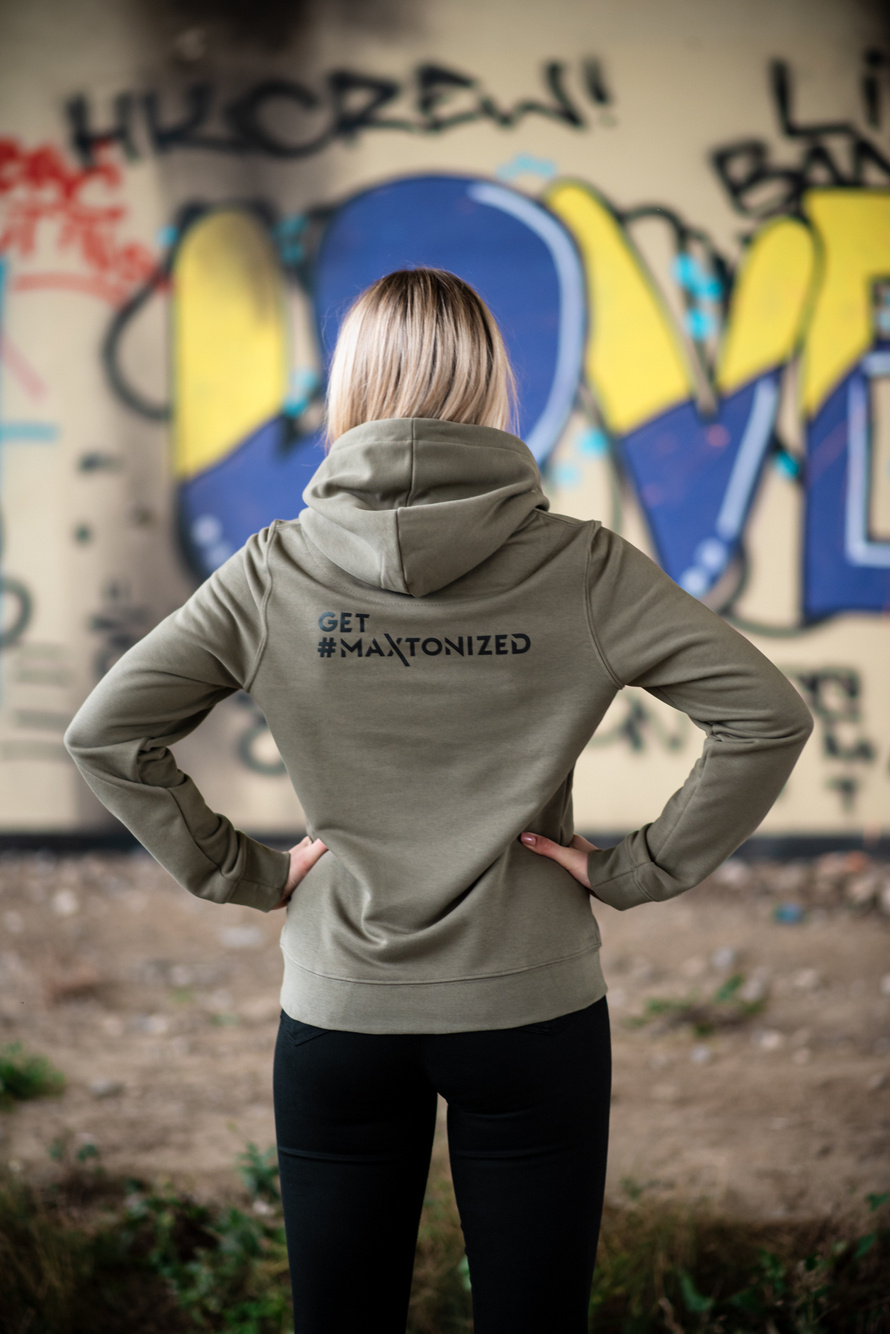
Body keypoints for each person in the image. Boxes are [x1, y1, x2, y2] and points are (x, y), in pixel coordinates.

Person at [65, 267, 814, 1333]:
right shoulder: (584, 567)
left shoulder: (272, 573)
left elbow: (105, 732)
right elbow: (765, 716)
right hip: (532, 1010)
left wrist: (245, 871)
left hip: (340, 1013)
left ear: (349, 387)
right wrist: (633, 869)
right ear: (493, 386)